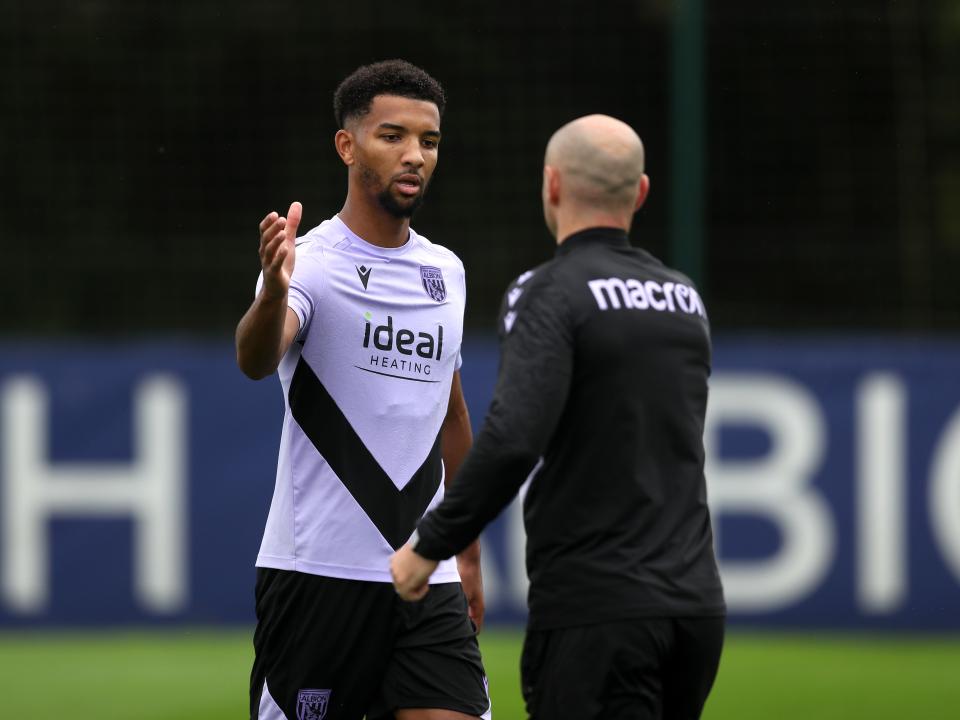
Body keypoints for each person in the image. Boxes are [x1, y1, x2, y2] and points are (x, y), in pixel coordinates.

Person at [391, 114, 726, 719]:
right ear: (641, 192)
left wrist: (430, 546)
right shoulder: (684, 299)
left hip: (597, 610)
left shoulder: (548, 292)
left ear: (551, 185)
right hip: (695, 610)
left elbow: (516, 438)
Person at [235, 59, 490, 720]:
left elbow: (452, 414)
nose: (415, 156)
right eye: (393, 136)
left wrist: (466, 552)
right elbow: (256, 359)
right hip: (319, 577)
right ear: (347, 145)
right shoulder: (309, 264)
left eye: (428, 142)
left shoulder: (447, 272)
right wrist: (275, 291)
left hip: (423, 579)